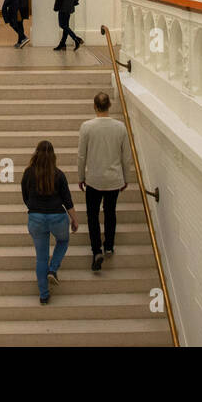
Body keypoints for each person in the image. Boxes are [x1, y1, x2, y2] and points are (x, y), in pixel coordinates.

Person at [78, 91, 135, 271]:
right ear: (109, 106)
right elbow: (126, 157)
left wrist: (81, 177)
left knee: (92, 215)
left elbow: (81, 156)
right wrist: (126, 177)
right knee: (110, 212)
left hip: (94, 179)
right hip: (113, 179)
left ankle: (97, 250)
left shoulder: (86, 127)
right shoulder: (120, 127)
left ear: (95, 106)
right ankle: (109, 245)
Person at [21, 140, 78, 304]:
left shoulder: (28, 173)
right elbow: (68, 201)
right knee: (63, 240)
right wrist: (74, 219)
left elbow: (25, 197)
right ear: (53, 156)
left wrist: (34, 209)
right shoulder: (59, 174)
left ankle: (44, 295)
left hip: (36, 217)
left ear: (35, 154)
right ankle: (53, 269)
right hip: (57, 217)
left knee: (41, 258)